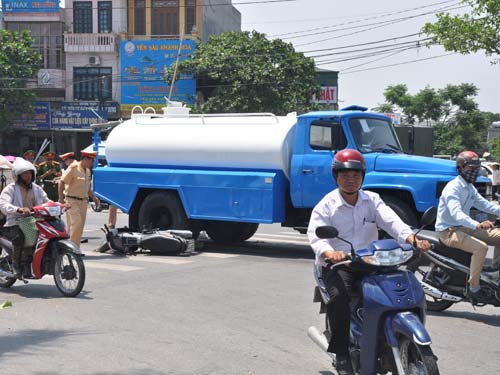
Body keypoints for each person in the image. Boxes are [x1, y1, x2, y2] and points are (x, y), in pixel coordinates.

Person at [307, 149, 430, 375]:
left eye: (355, 175)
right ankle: (342, 353)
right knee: (340, 299)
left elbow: (392, 222)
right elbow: (315, 235)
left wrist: (412, 238)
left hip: (371, 261)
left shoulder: (372, 200)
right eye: (345, 175)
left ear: (362, 176)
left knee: (401, 288)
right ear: (336, 176)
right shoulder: (327, 205)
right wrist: (329, 252)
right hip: (339, 265)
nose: (351, 179)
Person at [435, 150, 500, 301]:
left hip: (465, 228)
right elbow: (456, 214)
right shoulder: (453, 188)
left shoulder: (469, 187)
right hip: (449, 232)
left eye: (477, 169)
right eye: (471, 168)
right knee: (481, 248)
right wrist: (478, 224)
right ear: (460, 168)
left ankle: (495, 273)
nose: (475, 172)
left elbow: (486, 205)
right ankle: (474, 287)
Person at [0, 158, 50, 277]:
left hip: (33, 221)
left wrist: (60, 205)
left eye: (30, 173)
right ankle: (16, 265)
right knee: (19, 238)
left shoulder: (37, 189)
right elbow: (3, 204)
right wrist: (18, 209)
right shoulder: (10, 189)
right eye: (25, 174)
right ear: (18, 176)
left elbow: (46, 201)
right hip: (14, 222)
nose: (28, 176)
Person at [58, 151, 100, 248]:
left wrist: (94, 197)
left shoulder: (87, 171)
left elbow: (87, 187)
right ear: (85, 159)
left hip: (83, 201)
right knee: (76, 224)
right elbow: (61, 182)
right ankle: (72, 248)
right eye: (91, 161)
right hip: (71, 200)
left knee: (80, 226)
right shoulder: (73, 168)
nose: (92, 163)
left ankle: (75, 248)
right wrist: (61, 198)